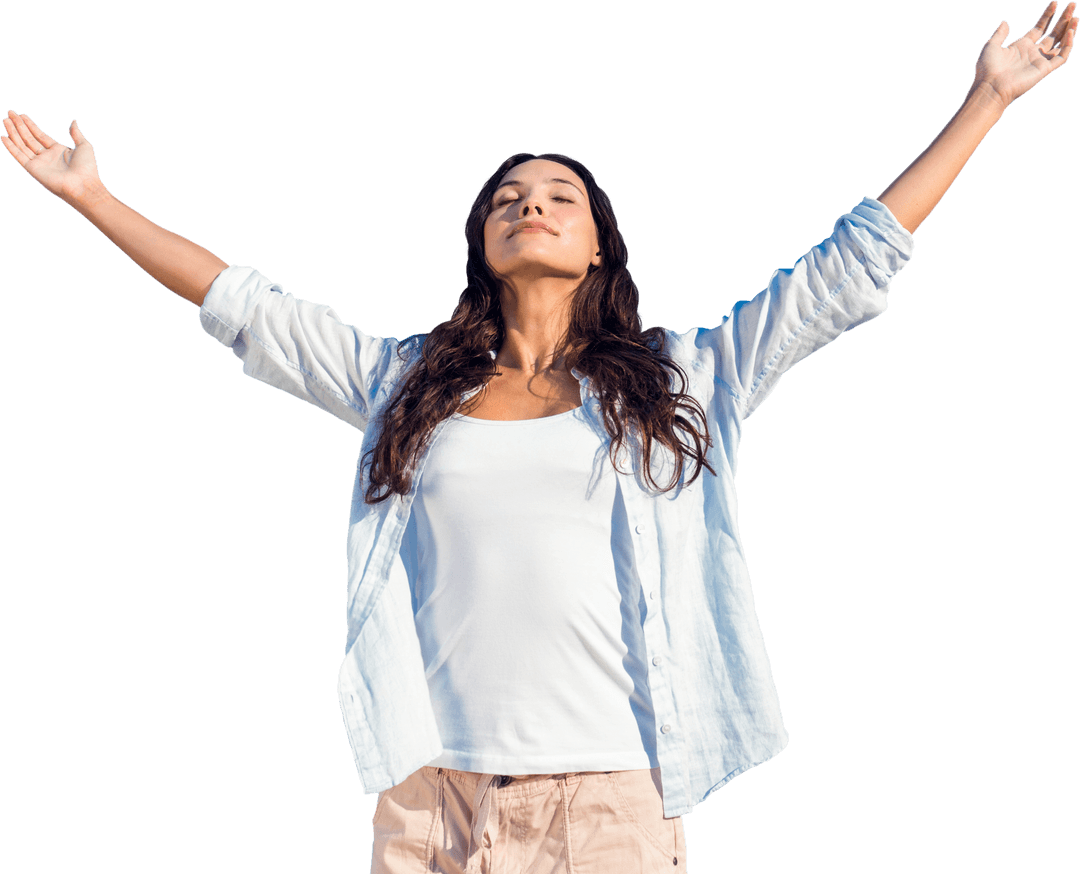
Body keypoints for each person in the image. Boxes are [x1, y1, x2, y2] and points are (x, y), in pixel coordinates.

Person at [3, 3, 1075, 872]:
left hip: (609, 800)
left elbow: (847, 265)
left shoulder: (685, 380)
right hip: (430, 802)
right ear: (481, 241)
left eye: (561, 195)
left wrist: (988, 98)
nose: (532, 204)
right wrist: (92, 197)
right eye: (508, 197)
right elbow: (245, 306)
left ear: (600, 242)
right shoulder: (400, 386)